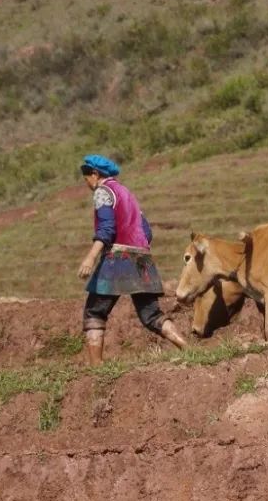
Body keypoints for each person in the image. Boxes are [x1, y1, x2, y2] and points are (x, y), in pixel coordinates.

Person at [76, 154, 187, 365]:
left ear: (95, 174)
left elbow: (106, 230)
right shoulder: (127, 193)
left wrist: (90, 258)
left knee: (94, 311)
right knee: (151, 315)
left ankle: (96, 368)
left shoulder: (102, 192)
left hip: (117, 259)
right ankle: (187, 348)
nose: (87, 184)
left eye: (86, 178)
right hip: (142, 260)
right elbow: (146, 231)